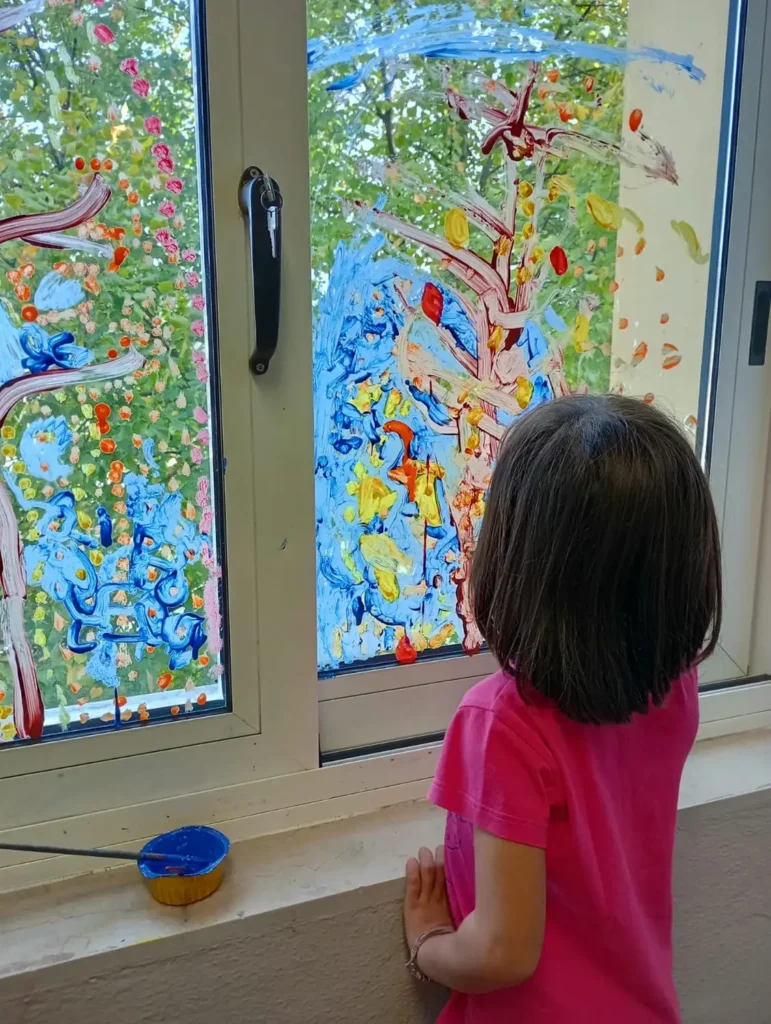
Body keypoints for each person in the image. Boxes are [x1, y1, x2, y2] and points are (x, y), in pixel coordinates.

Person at [403, 394, 722, 1023]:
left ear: (517, 567)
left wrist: (428, 944)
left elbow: (502, 952)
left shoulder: (502, 725)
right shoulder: (673, 686)